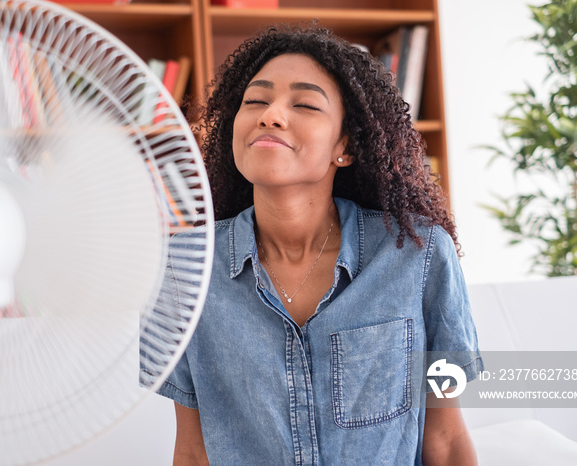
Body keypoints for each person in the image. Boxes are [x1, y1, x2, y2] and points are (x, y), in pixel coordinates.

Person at [155, 24, 483, 465]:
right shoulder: (185, 268)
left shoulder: (418, 255)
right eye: (255, 100)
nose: (270, 115)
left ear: (344, 147)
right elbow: (194, 452)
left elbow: (446, 441)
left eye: (305, 104)